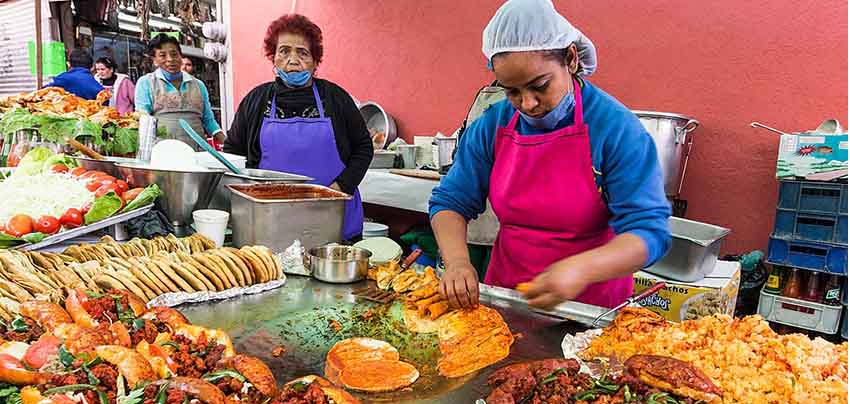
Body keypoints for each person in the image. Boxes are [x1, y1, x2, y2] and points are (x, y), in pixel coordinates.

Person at [429, 0, 671, 310]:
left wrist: (581, 269)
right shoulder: (492, 126)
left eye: (539, 85)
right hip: (508, 298)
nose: (527, 103)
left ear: (570, 58)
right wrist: (458, 262)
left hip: (590, 310)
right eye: (511, 91)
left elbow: (648, 231)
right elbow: (450, 201)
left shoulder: (616, 129)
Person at [224, 14, 373, 241]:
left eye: (302, 52)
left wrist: (340, 187)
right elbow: (232, 154)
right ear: (273, 58)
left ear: (315, 61)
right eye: (284, 51)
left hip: (333, 215)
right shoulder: (256, 100)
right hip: (270, 220)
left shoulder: (335, 98)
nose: (292, 60)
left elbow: (363, 147)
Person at [134, 33, 224, 149]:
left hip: (198, 151)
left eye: (174, 54)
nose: (170, 59)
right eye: (162, 55)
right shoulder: (146, 83)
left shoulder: (198, 85)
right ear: (155, 61)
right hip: (163, 151)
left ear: (180, 56)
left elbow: (208, 120)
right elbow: (144, 118)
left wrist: (227, 142)